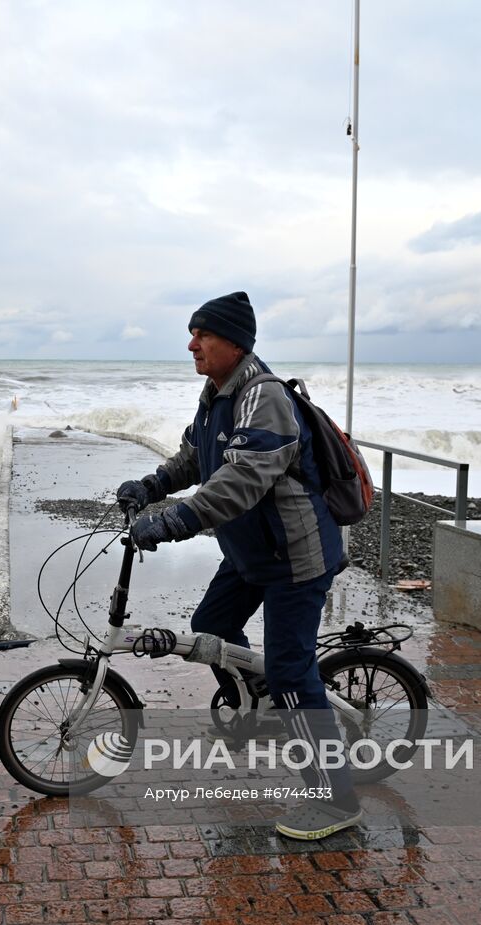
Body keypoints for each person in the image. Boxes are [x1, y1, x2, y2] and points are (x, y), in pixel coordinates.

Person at [115, 291, 360, 840]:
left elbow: (243, 479)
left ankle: (336, 800)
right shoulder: (216, 395)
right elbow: (194, 458)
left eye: (202, 334)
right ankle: (262, 699)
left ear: (235, 342)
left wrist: (175, 521)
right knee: (211, 627)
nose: (191, 344)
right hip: (250, 553)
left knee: (293, 671)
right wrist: (150, 486)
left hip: (295, 558)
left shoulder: (263, 397)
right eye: (191, 333)